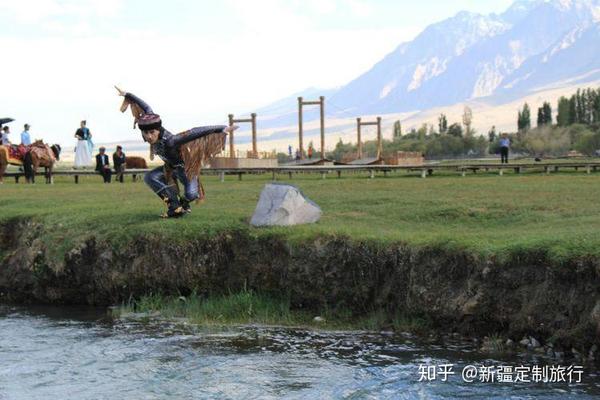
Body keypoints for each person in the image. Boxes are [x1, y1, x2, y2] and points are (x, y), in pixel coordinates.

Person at [115, 86, 237, 218]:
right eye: (146, 133)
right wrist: (128, 94)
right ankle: (174, 206)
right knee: (150, 177)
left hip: (186, 169)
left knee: (191, 194)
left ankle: (184, 205)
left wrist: (221, 129)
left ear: (158, 130)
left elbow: (193, 132)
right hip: (170, 168)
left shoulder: (170, 141)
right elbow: (147, 107)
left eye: (152, 133)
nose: (149, 136)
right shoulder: (149, 122)